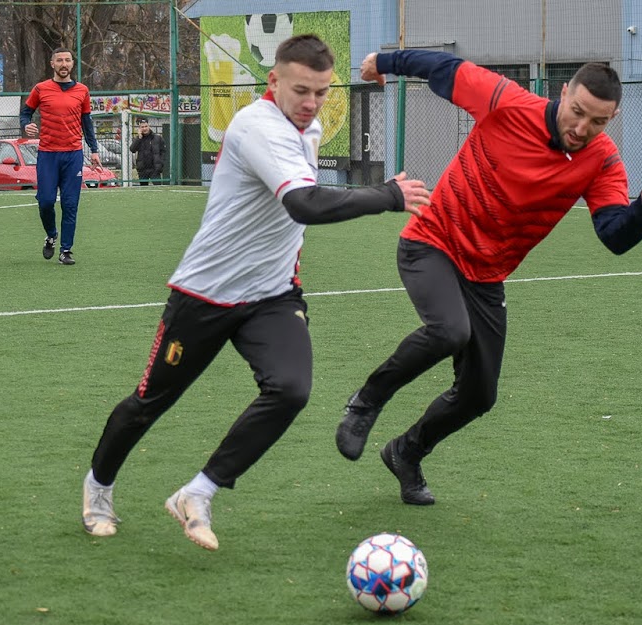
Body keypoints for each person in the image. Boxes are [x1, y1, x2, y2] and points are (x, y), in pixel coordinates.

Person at [81, 35, 431, 550]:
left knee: (290, 389)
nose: (311, 103)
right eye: (301, 90)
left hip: (272, 295)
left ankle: (198, 493)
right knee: (149, 402)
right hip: (206, 292)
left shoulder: (307, 127)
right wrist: (386, 195)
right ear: (273, 82)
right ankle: (98, 489)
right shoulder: (256, 126)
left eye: (321, 92)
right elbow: (305, 204)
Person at [335, 50, 642, 506]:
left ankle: (406, 452)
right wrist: (383, 61)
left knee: (479, 395)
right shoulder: (506, 102)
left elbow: (614, 235)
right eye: (577, 112)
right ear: (563, 93)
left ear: (613, 117)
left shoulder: (601, 160)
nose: (581, 128)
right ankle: (366, 401)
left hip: (486, 275)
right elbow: (444, 69)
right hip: (432, 242)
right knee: (449, 330)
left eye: (597, 121)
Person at [20, 47, 102, 265]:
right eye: (60, 60)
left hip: (73, 154)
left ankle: (66, 250)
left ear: (73, 64)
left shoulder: (82, 90)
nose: (64, 64)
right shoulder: (40, 89)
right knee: (46, 201)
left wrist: (93, 150)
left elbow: (87, 122)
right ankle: (51, 235)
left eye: (67, 60)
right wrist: (26, 125)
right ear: (52, 63)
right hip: (48, 154)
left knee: (70, 203)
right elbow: (26, 112)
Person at [130, 120, 167, 184]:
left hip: (155, 169)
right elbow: (132, 149)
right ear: (140, 128)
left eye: (146, 126)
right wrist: (139, 138)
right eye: (142, 127)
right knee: (143, 189)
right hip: (143, 169)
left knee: (158, 188)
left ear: (149, 126)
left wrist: (160, 164)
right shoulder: (138, 139)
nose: (144, 128)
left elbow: (163, 152)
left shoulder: (158, 138)